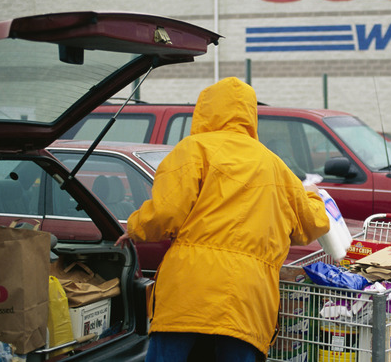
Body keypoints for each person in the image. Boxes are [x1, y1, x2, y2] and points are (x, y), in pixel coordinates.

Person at [115, 77, 329, 362]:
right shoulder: (274, 164)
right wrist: (313, 196)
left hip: (189, 287)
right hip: (249, 295)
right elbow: (309, 227)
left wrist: (136, 228)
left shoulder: (193, 150)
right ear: (251, 115)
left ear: (205, 110)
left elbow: (166, 211)